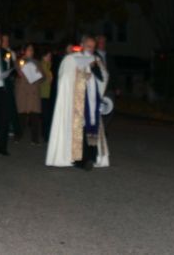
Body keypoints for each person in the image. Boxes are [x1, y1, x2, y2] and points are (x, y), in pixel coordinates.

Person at [46, 35, 109, 170]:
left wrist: (94, 69)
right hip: (76, 102)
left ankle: (91, 157)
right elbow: (65, 79)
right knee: (79, 129)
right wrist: (81, 75)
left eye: (93, 47)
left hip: (93, 100)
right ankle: (78, 160)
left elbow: (104, 77)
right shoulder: (71, 59)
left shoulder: (96, 60)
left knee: (92, 127)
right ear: (82, 45)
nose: (91, 49)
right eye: (88, 46)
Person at [14, 44, 44, 145]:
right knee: (21, 116)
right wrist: (19, 73)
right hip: (22, 92)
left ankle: (35, 139)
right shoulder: (18, 61)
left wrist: (39, 74)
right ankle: (18, 135)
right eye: (29, 50)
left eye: (32, 50)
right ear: (24, 51)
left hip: (33, 92)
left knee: (35, 116)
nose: (31, 52)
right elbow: (15, 75)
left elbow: (43, 78)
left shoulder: (37, 62)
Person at [96, 35, 120, 130]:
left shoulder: (109, 56)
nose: (102, 44)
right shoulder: (94, 56)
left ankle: (104, 129)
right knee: (98, 110)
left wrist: (117, 87)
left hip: (109, 87)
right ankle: (97, 130)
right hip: (98, 87)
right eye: (100, 42)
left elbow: (114, 72)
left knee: (110, 109)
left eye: (104, 42)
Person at [39, 50, 54, 142]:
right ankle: (46, 135)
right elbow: (43, 79)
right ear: (43, 57)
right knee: (46, 116)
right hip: (43, 93)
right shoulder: (41, 66)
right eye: (47, 56)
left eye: (50, 56)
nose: (49, 58)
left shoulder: (48, 66)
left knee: (47, 115)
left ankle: (46, 134)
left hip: (48, 93)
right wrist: (49, 78)